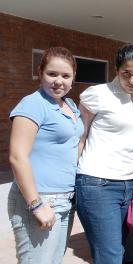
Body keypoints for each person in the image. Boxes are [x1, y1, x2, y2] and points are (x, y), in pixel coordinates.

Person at [75, 44, 133, 264]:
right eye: (125, 73)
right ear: (117, 70)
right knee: (110, 256)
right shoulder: (98, 94)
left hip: (130, 185)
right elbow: (80, 138)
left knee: (118, 251)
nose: (132, 80)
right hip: (96, 182)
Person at [8, 46, 84, 263]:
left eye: (65, 75)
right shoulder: (33, 104)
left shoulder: (68, 104)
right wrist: (36, 204)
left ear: (73, 78)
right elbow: (17, 156)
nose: (58, 81)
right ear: (40, 72)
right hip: (39, 199)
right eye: (52, 74)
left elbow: (75, 142)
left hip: (65, 200)